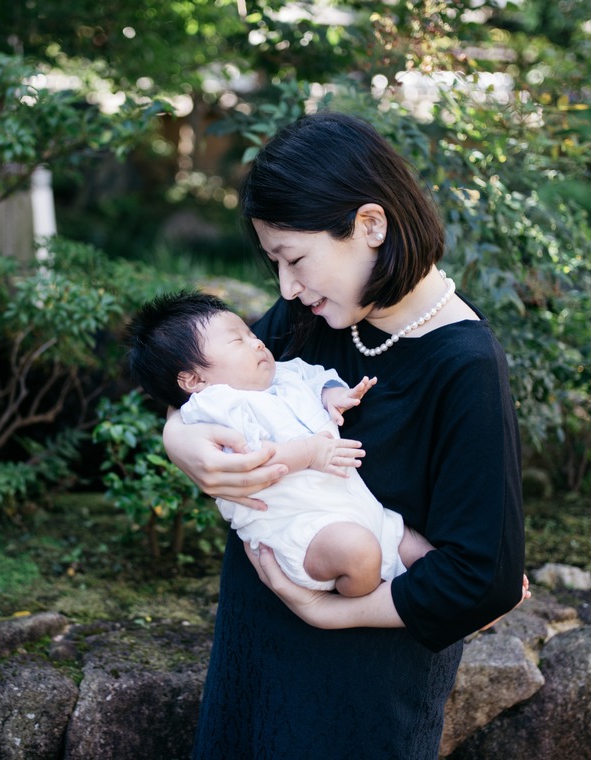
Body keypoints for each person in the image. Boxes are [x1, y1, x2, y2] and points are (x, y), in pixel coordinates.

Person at [161, 111, 528, 759]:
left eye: (295, 258)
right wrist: (178, 440)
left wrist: (334, 612)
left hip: (360, 693)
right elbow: (207, 383)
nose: (286, 287)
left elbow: (484, 580)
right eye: (275, 262)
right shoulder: (316, 314)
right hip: (255, 652)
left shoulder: (463, 364)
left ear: (371, 225)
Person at [126, 289, 437, 598]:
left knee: (420, 549)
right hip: (302, 528)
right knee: (360, 553)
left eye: (250, 333)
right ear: (194, 381)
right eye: (239, 341)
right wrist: (311, 452)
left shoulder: (282, 374)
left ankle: (455, 605)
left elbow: (314, 375)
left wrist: (331, 394)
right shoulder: (215, 408)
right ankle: (368, 603)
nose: (257, 342)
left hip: (363, 509)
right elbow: (254, 462)